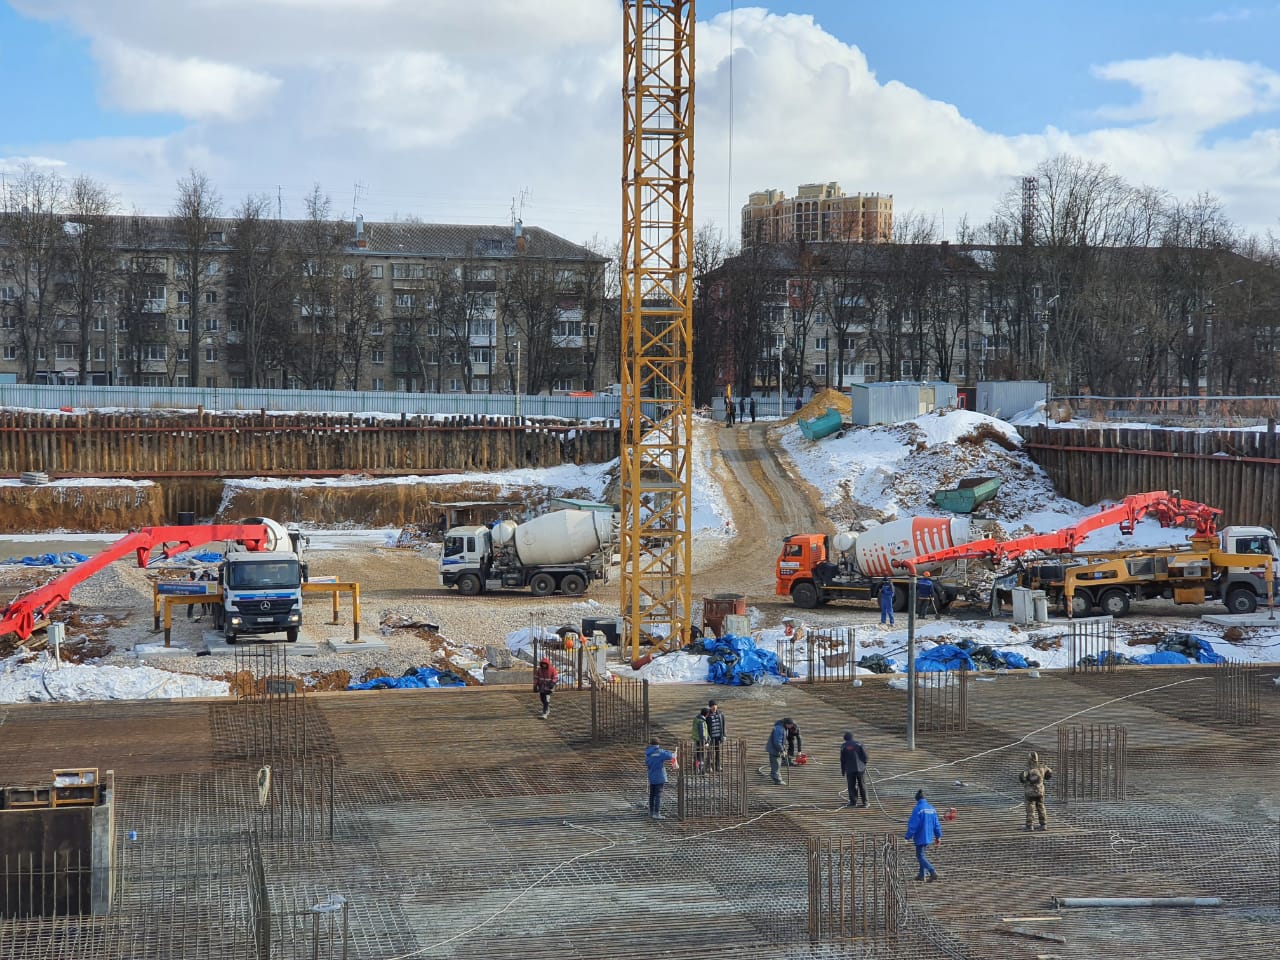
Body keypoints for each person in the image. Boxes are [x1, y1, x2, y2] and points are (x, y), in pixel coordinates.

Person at [904, 789, 942, 881]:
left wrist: (907, 836)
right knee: (922, 855)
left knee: (920, 856)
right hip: (929, 836)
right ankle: (921, 875)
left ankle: (932, 871)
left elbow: (913, 824)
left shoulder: (918, 809)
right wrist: (938, 836)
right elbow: (936, 824)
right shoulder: (932, 808)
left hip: (920, 836)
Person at [1018, 751, 1054, 831]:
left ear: (1030, 759)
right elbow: (1050, 773)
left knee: (1030, 809)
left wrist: (1026, 781)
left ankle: (1029, 825)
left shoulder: (1028, 769)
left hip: (1030, 793)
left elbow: (1022, 778)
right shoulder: (1042, 767)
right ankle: (1043, 824)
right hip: (1040, 791)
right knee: (1041, 807)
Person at [644, 737, 677, 819]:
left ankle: (651, 812)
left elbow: (647, 763)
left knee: (652, 795)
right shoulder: (660, 752)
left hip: (651, 775)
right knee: (658, 795)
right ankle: (656, 813)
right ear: (658, 744)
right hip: (659, 776)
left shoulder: (648, 753)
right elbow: (670, 756)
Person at [840, 732, 869, 807]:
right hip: (860, 768)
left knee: (851, 786)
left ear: (845, 738)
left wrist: (843, 770)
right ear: (852, 737)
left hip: (850, 769)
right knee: (862, 785)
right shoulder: (859, 744)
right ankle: (865, 803)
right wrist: (864, 763)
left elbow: (842, 760)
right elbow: (865, 756)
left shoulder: (843, 746)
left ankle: (853, 802)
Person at [766, 718, 789, 784]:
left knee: (776, 764)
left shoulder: (784, 728)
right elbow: (777, 742)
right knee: (776, 764)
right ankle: (777, 780)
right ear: (786, 724)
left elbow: (783, 741)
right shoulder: (779, 729)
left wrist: (784, 750)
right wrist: (782, 750)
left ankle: (775, 776)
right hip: (774, 750)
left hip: (776, 750)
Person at [706, 699, 726, 772]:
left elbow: (723, 725)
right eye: (713, 707)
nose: (714, 708)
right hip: (711, 737)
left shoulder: (721, 714)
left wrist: (724, 735)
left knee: (718, 751)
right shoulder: (707, 715)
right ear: (710, 707)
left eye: (715, 707)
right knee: (710, 752)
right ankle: (708, 766)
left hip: (718, 737)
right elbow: (705, 727)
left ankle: (718, 765)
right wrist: (706, 737)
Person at [692, 707, 710, 773]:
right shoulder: (701, 721)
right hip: (700, 741)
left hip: (696, 740)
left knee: (697, 755)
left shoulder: (697, 719)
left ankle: (696, 768)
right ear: (707, 714)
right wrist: (705, 742)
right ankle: (700, 769)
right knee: (701, 756)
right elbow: (702, 733)